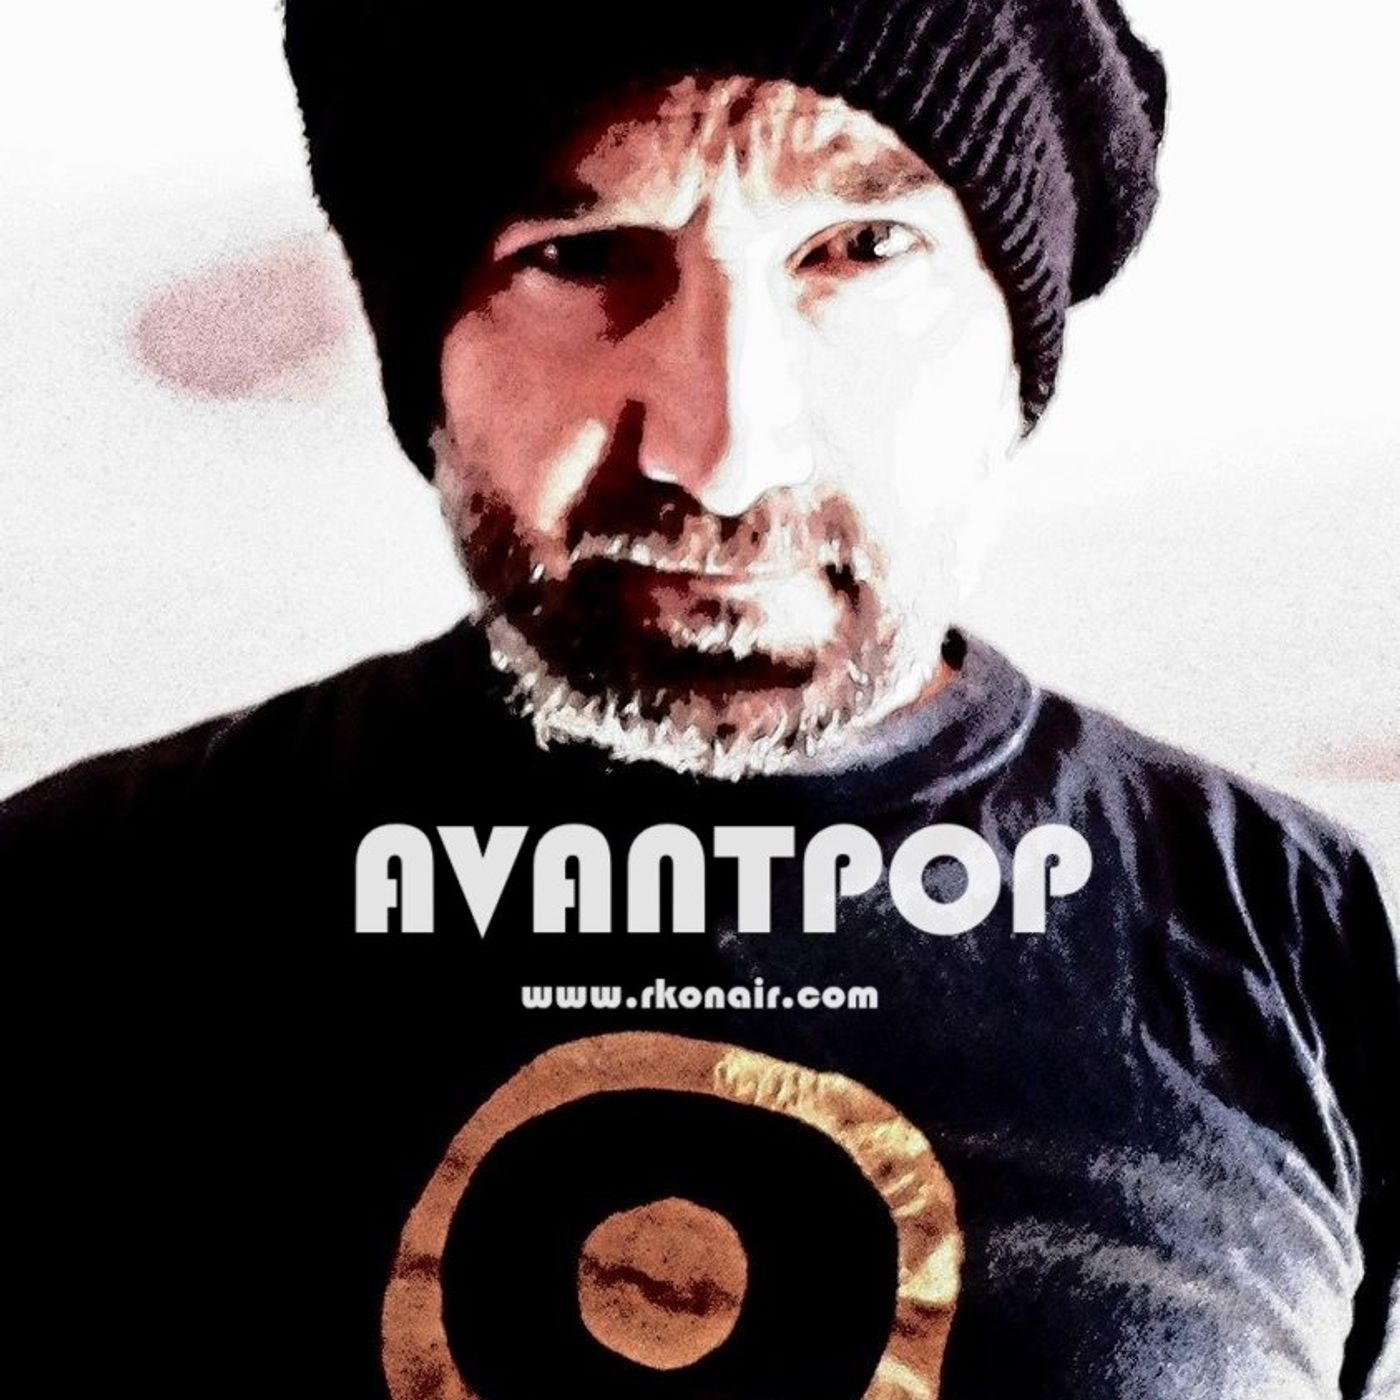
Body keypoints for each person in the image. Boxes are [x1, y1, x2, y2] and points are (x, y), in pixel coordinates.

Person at [3, 2, 1396, 1397]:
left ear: (1009, 346)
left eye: (862, 248)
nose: (727, 449)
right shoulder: (69, 911)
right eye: (582, 255)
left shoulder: (1295, 931)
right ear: (426, 356)